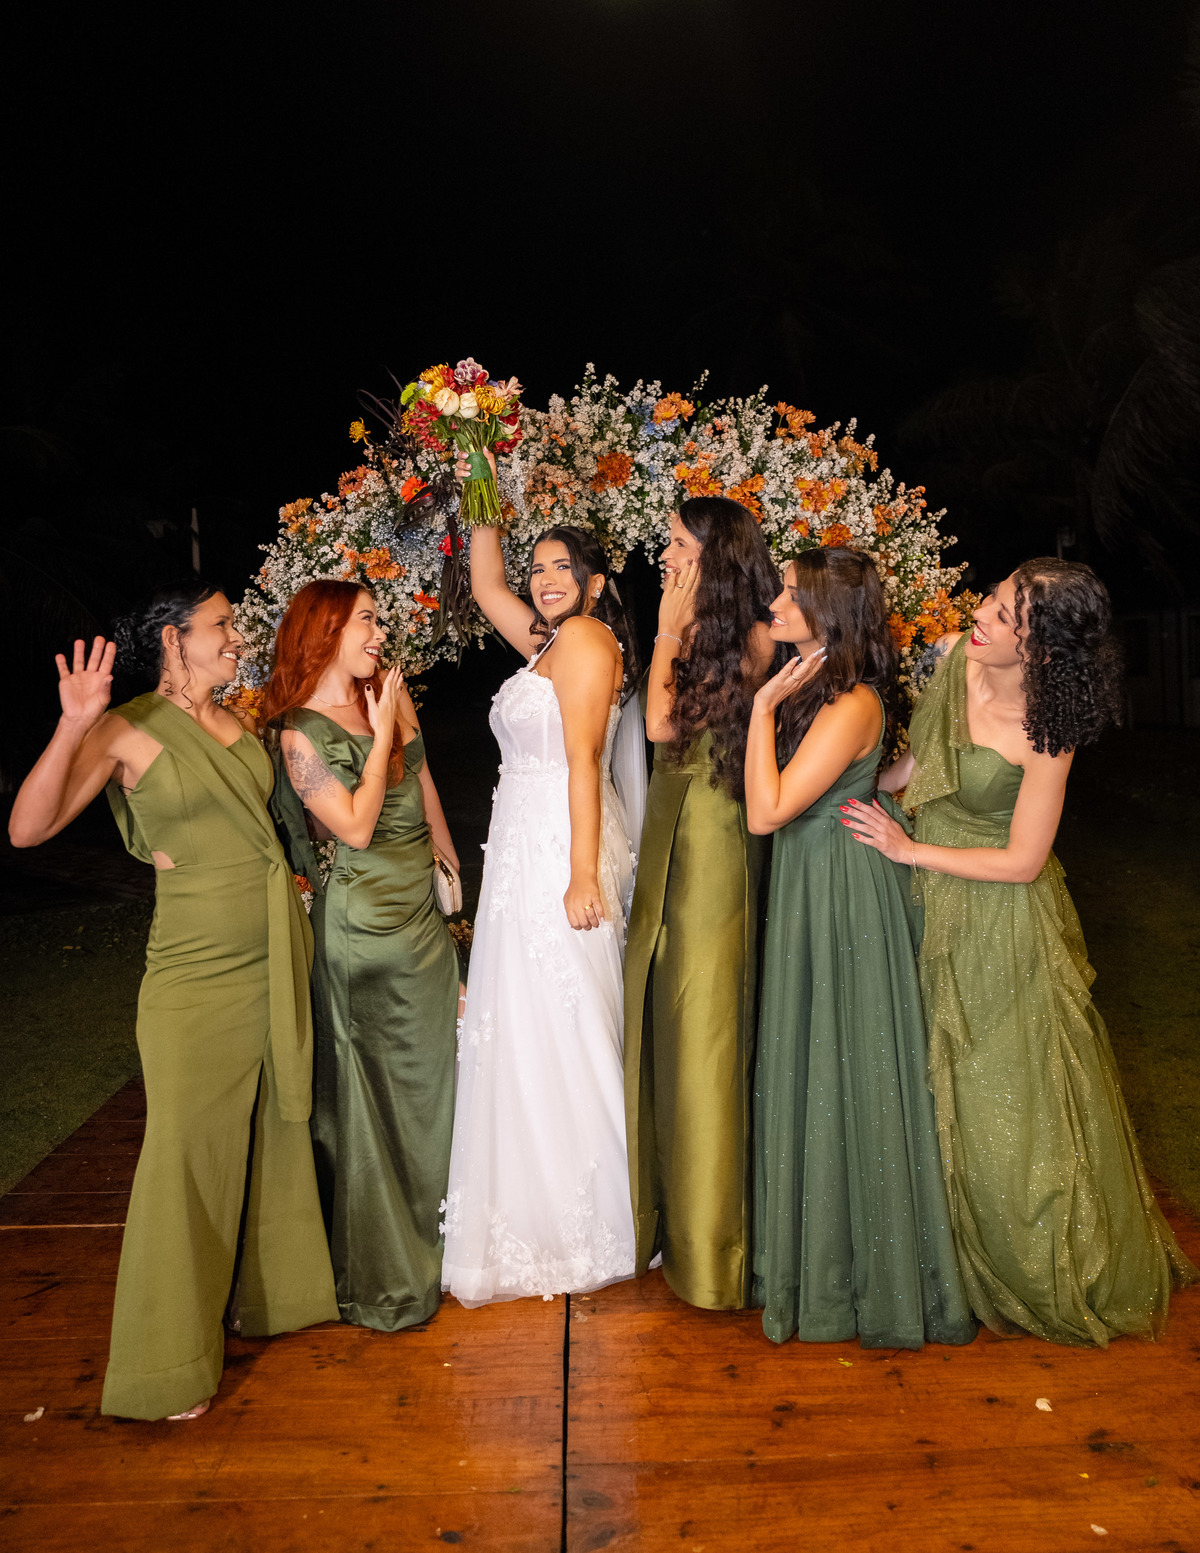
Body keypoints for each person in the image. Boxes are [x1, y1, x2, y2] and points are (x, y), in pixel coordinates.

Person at [844, 558, 1198, 1344]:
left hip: (995, 918)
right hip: (921, 894)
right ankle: (937, 1262)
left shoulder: (1049, 729)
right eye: (994, 598)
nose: (982, 614)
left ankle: (1021, 1262)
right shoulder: (952, 661)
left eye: (1005, 616)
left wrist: (911, 851)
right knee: (921, 1077)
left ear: (1038, 649)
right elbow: (917, 769)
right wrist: (857, 785)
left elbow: (1023, 860)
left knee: (992, 1095)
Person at [8, 586, 337, 1420]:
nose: (236, 636)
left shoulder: (238, 720)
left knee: (271, 1130)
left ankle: (267, 1297)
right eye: (221, 625)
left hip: (270, 956)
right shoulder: (127, 728)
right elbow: (27, 829)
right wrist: (73, 724)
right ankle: (164, 1364)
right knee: (184, 1155)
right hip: (194, 979)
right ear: (172, 638)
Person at [745, 548, 975, 1348]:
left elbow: (765, 811)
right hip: (817, 877)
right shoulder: (824, 687)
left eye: (790, 592)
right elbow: (863, 777)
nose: (774, 602)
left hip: (839, 893)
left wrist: (761, 711)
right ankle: (818, 1259)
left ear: (828, 612)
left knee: (848, 1061)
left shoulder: (848, 702)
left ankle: (861, 1277)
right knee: (818, 1057)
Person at [440, 505, 642, 1306]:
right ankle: (536, 1204)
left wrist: (582, 874)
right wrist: (477, 465)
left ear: (593, 583)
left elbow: (585, 760)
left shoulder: (586, 639)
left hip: (562, 845)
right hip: (521, 852)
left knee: (569, 1018)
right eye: (539, 568)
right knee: (524, 1020)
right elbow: (485, 581)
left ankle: (599, 1216)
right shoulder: (546, 642)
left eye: (564, 568)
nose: (546, 579)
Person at [263, 580, 462, 1331]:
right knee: (375, 1104)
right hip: (364, 935)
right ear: (326, 631)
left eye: (379, 619)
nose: (381, 633)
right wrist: (379, 738)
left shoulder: (389, 694)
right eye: (367, 621)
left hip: (420, 920)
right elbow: (351, 825)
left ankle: (447, 1245)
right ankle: (385, 1276)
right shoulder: (297, 735)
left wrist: (448, 868)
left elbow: (424, 780)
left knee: (433, 1088)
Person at [623, 496, 779, 1310]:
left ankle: (713, 1247)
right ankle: (666, 1219)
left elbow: (659, 722)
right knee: (663, 1012)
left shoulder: (755, 636)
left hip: (715, 840)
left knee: (704, 1027)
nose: (667, 555)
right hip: (670, 828)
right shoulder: (705, 629)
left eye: (679, 543)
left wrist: (665, 632)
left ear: (716, 555)